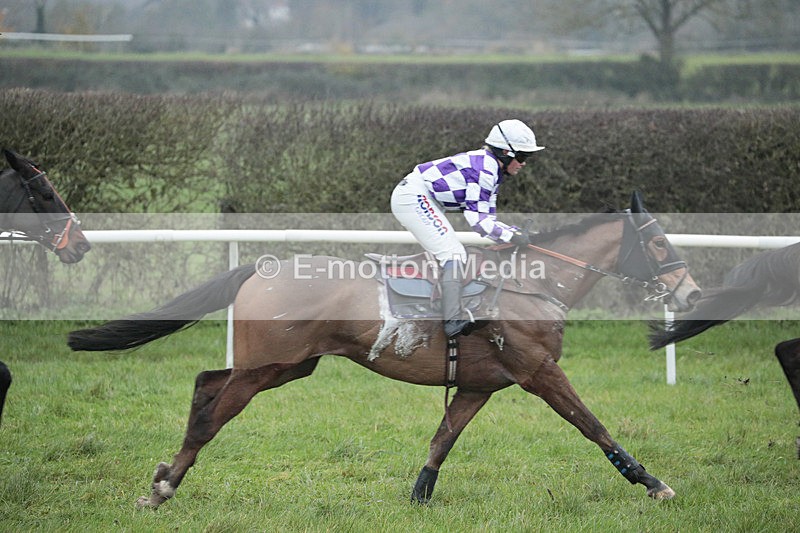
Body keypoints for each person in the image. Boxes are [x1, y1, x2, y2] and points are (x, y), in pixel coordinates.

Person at [391, 119, 545, 338]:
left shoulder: (492, 169)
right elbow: (477, 222)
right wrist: (512, 235)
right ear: (505, 153)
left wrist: (514, 232)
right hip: (413, 197)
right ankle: (452, 320)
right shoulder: (485, 169)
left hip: (422, 197)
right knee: (453, 254)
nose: (524, 163)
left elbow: (487, 220)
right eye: (521, 157)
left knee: (452, 252)